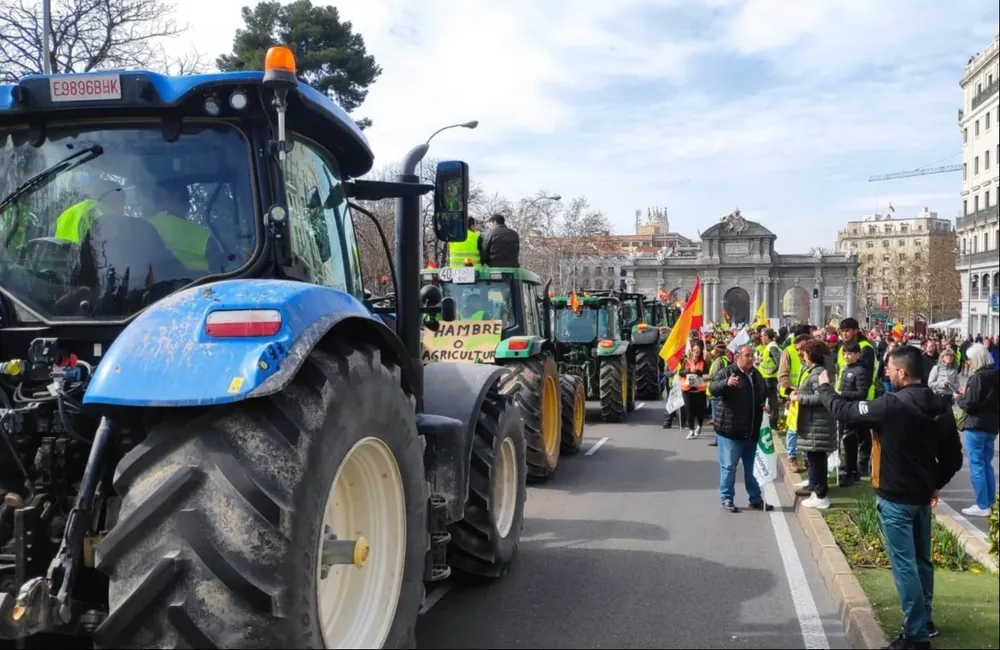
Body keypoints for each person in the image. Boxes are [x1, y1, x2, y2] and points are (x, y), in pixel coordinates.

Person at [817, 346, 964, 650]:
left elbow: (844, 411)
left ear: (903, 373)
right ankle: (925, 621)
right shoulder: (940, 405)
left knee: (906, 566)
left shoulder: (890, 404)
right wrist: (935, 483)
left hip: (896, 498)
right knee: (922, 562)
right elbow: (953, 458)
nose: (885, 373)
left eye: (889, 369)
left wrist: (824, 387)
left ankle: (915, 636)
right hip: (921, 497)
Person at [708, 344, 774, 513]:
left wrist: (767, 406)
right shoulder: (727, 372)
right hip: (731, 432)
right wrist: (726, 383)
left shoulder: (757, 375)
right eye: (747, 355)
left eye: (752, 355)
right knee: (729, 467)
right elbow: (712, 389)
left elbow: (765, 395)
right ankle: (727, 498)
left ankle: (755, 498)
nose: (751, 358)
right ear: (737, 356)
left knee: (753, 468)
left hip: (751, 432)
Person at [788, 339, 840, 509]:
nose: (802, 354)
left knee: (817, 460)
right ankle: (816, 492)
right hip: (812, 424)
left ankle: (821, 494)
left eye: (805, 352)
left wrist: (799, 398)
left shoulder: (817, 372)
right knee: (814, 458)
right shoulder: (813, 370)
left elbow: (821, 397)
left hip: (817, 424)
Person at [955, 343, 998, 518]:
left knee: (977, 465)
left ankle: (982, 504)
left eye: (970, 360)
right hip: (992, 425)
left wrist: (959, 398)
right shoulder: (996, 374)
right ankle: (990, 503)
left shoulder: (978, 377)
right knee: (987, 465)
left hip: (976, 425)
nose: (969, 363)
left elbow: (970, 404)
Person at [835, 342, 872, 486]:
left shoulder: (860, 370)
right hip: (846, 408)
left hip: (854, 410)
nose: (846, 356)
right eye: (844, 353)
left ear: (857, 354)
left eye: (849, 353)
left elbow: (862, 393)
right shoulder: (847, 368)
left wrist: (842, 393)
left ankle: (850, 473)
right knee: (848, 441)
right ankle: (853, 470)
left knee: (849, 440)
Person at [779, 331, 812, 472]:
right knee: (793, 429)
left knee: (807, 431)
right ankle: (792, 457)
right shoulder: (788, 352)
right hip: (794, 397)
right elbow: (783, 375)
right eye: (798, 349)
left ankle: (806, 458)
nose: (799, 352)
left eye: (802, 349)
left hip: (808, 399)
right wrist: (789, 391)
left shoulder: (813, 359)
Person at [680, 344, 709, 440]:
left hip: (699, 390)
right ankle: (691, 430)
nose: (696, 352)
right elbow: (681, 372)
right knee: (689, 410)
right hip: (687, 390)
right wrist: (688, 370)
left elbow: (706, 375)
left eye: (698, 351)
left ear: (700, 352)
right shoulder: (686, 361)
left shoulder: (703, 362)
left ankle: (699, 426)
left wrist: (697, 371)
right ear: (691, 351)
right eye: (694, 350)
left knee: (699, 411)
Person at [758, 328, 783, 430]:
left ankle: (773, 422)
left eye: (762, 336)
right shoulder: (768, 347)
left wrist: (772, 370)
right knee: (769, 400)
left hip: (770, 378)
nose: (761, 338)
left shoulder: (772, 346)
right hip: (767, 377)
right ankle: (771, 421)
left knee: (771, 400)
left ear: (767, 337)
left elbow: (779, 359)